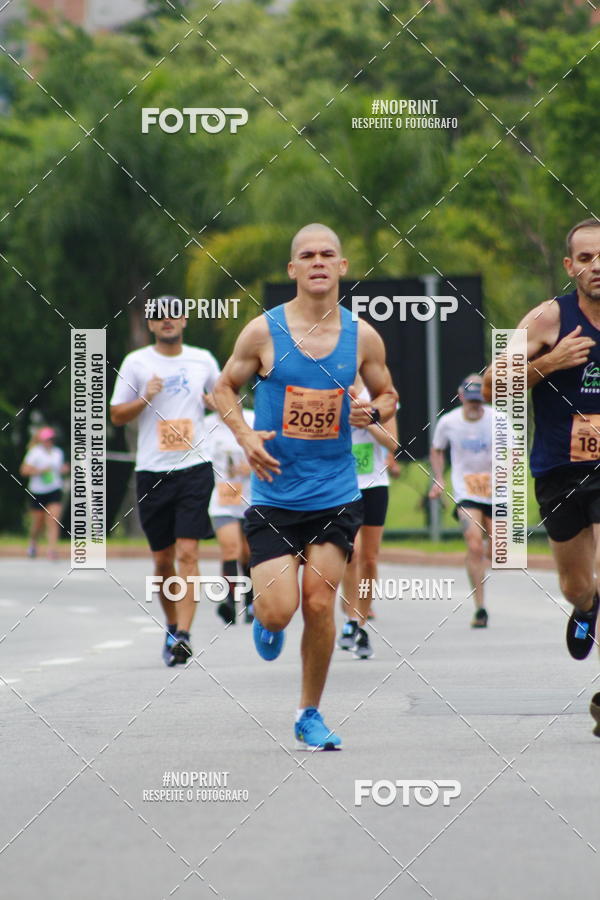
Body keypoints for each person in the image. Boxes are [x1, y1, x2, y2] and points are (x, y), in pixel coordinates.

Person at [214, 223, 398, 750]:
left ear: (342, 267)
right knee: (279, 609)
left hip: (337, 493)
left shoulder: (362, 336)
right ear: (292, 270)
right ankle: (266, 623)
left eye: (328, 254)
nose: (318, 261)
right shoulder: (262, 332)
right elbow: (223, 387)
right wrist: (246, 437)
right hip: (275, 494)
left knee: (320, 605)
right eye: (307, 255)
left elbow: (389, 394)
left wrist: (374, 411)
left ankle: (308, 713)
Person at [482, 218, 600, 735]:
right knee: (577, 584)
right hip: (559, 469)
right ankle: (585, 607)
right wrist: (549, 363)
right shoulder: (549, 318)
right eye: (587, 259)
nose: (598, 268)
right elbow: (490, 385)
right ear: (570, 266)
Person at [110, 296, 219, 667]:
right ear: (150, 324)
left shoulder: (203, 359)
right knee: (162, 560)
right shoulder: (137, 363)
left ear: (185, 319)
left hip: (195, 467)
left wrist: (217, 403)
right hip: (152, 471)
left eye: (173, 313)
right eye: (158, 316)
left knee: (188, 552)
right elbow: (116, 415)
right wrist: (144, 398)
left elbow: (224, 398)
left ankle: (185, 635)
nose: (167, 320)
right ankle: (172, 624)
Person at [337, 374, 400, 658]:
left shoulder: (379, 394)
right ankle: (350, 617)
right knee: (354, 553)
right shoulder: (329, 386)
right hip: (342, 485)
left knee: (370, 558)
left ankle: (359, 623)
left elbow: (392, 443)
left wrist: (367, 417)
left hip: (374, 485)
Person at [429, 374, 495, 628]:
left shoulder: (497, 420)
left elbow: (513, 451)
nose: (475, 407)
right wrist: (439, 479)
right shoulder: (448, 422)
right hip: (466, 491)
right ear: (461, 397)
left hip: (496, 491)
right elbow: (437, 449)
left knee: (496, 549)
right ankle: (480, 607)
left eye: (479, 402)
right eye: (470, 402)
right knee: (474, 544)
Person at [204, 404, 255, 625]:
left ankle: (251, 601)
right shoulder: (206, 425)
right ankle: (229, 601)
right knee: (231, 548)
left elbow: (273, 449)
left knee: (247, 553)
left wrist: (252, 465)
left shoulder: (252, 420)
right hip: (222, 500)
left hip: (251, 499)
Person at [20, 426, 69, 560]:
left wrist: (64, 470)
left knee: (53, 519)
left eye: (51, 439)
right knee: (38, 522)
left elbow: (60, 469)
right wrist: (41, 471)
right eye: (47, 439)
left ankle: (52, 549)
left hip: (54, 489)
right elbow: (24, 470)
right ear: (41, 440)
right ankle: (33, 543)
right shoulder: (35, 453)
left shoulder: (57, 453)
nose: (50, 441)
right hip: (38, 491)